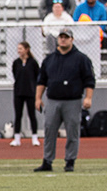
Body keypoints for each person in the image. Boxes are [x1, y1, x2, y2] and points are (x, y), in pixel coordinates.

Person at [34, 28, 94, 172]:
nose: (63, 39)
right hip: (53, 100)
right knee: (49, 130)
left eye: (66, 37)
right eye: (61, 37)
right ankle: (47, 161)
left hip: (72, 100)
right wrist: (38, 98)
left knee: (72, 132)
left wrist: (88, 97)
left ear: (71, 39)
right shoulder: (49, 59)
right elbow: (42, 80)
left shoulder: (81, 59)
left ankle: (70, 161)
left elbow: (89, 80)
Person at [10, 40, 40, 146]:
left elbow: (37, 76)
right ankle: (17, 138)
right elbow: (15, 74)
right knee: (18, 115)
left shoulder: (33, 63)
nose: (19, 51)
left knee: (32, 115)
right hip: (18, 92)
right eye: (18, 49)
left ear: (26, 50)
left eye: (21, 49)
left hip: (30, 92)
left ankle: (34, 137)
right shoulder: (16, 63)